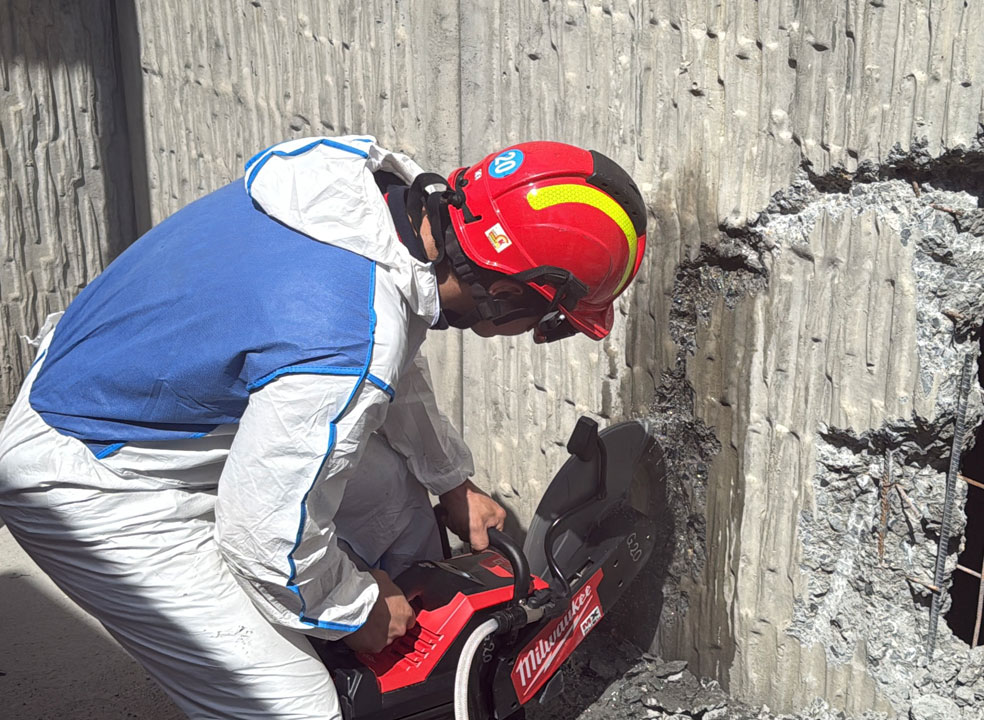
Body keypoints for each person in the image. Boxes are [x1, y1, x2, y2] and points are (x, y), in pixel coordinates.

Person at [0, 135, 647, 718]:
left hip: (136, 372)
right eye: (545, 322)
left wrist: (451, 484)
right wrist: (355, 609)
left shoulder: (366, 192)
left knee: (393, 497)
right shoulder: (343, 345)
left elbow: (383, 344)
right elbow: (264, 536)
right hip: (93, 472)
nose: (532, 335)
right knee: (295, 707)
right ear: (512, 293)